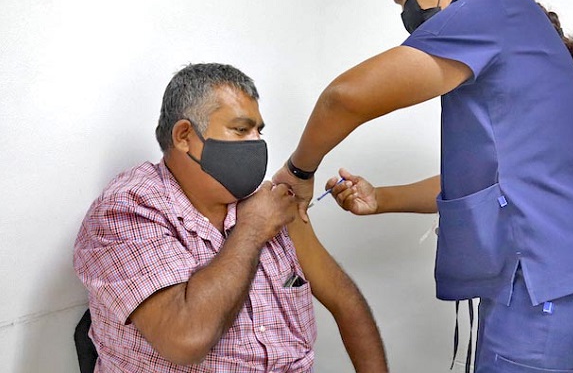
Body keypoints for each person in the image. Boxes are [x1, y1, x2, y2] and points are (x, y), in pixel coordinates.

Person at [272, 0, 573, 373]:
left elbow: (345, 97)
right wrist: (381, 198)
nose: (405, 15)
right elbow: (487, 183)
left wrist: (298, 170)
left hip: (547, 287)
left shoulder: (483, 9)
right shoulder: (517, 22)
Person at [73, 63, 388, 372]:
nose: (256, 143)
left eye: (258, 131)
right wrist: (252, 229)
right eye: (240, 129)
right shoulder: (128, 209)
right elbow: (187, 339)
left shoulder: (270, 204)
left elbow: (346, 302)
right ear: (184, 135)